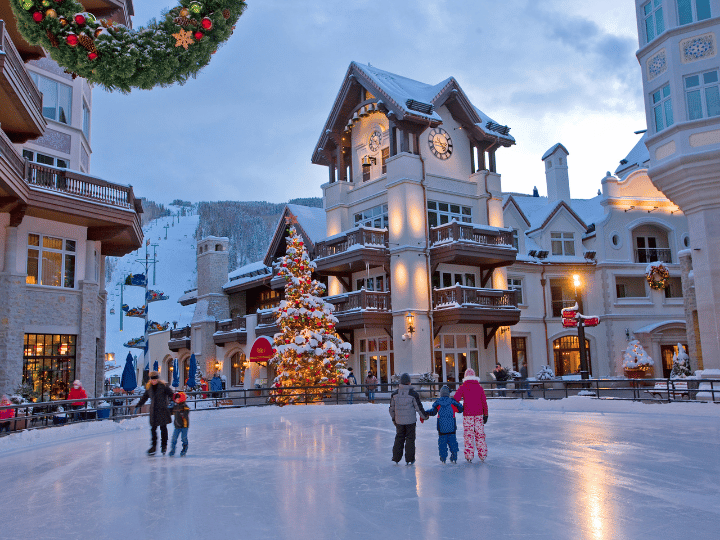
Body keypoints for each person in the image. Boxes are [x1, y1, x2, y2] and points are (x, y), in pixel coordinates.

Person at [389, 373, 428, 465]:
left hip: (399, 422)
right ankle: (410, 459)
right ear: (409, 382)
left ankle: (396, 458)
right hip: (410, 422)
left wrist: (394, 419)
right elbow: (419, 407)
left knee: (399, 438)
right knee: (410, 439)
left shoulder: (395, 394)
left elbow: (391, 409)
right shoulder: (413, 394)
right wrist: (424, 416)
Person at [453, 368, 489, 463]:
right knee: (480, 435)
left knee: (468, 435)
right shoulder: (479, 387)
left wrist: (459, 408)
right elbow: (484, 402)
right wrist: (486, 414)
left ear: (465, 376)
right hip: (479, 415)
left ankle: (469, 456)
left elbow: (455, 399)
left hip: (468, 415)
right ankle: (483, 455)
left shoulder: (463, 386)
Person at [135, 371, 174, 455]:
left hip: (163, 410)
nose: (154, 381)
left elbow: (171, 394)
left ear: (158, 379)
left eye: (155, 379)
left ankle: (164, 446)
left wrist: (176, 400)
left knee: (163, 428)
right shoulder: (149, 387)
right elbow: (145, 397)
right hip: (154, 411)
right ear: (150, 380)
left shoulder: (164, 386)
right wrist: (139, 405)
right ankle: (154, 447)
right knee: (153, 429)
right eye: (152, 380)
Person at [425, 385, 464, 464]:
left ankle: (443, 458)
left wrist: (426, 412)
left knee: (442, 444)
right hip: (452, 427)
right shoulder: (452, 402)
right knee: (453, 442)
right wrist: (457, 401)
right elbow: (461, 409)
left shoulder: (438, 403)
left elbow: (433, 412)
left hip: (441, 428)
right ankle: (454, 456)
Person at [169, 392, 190, 457]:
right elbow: (171, 412)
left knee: (183, 438)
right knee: (174, 439)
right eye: (176, 398)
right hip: (177, 426)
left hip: (184, 426)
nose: (176, 399)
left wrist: (182, 413)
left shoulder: (184, 406)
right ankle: (172, 450)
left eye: (178, 398)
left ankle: (184, 448)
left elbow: (187, 412)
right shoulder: (175, 406)